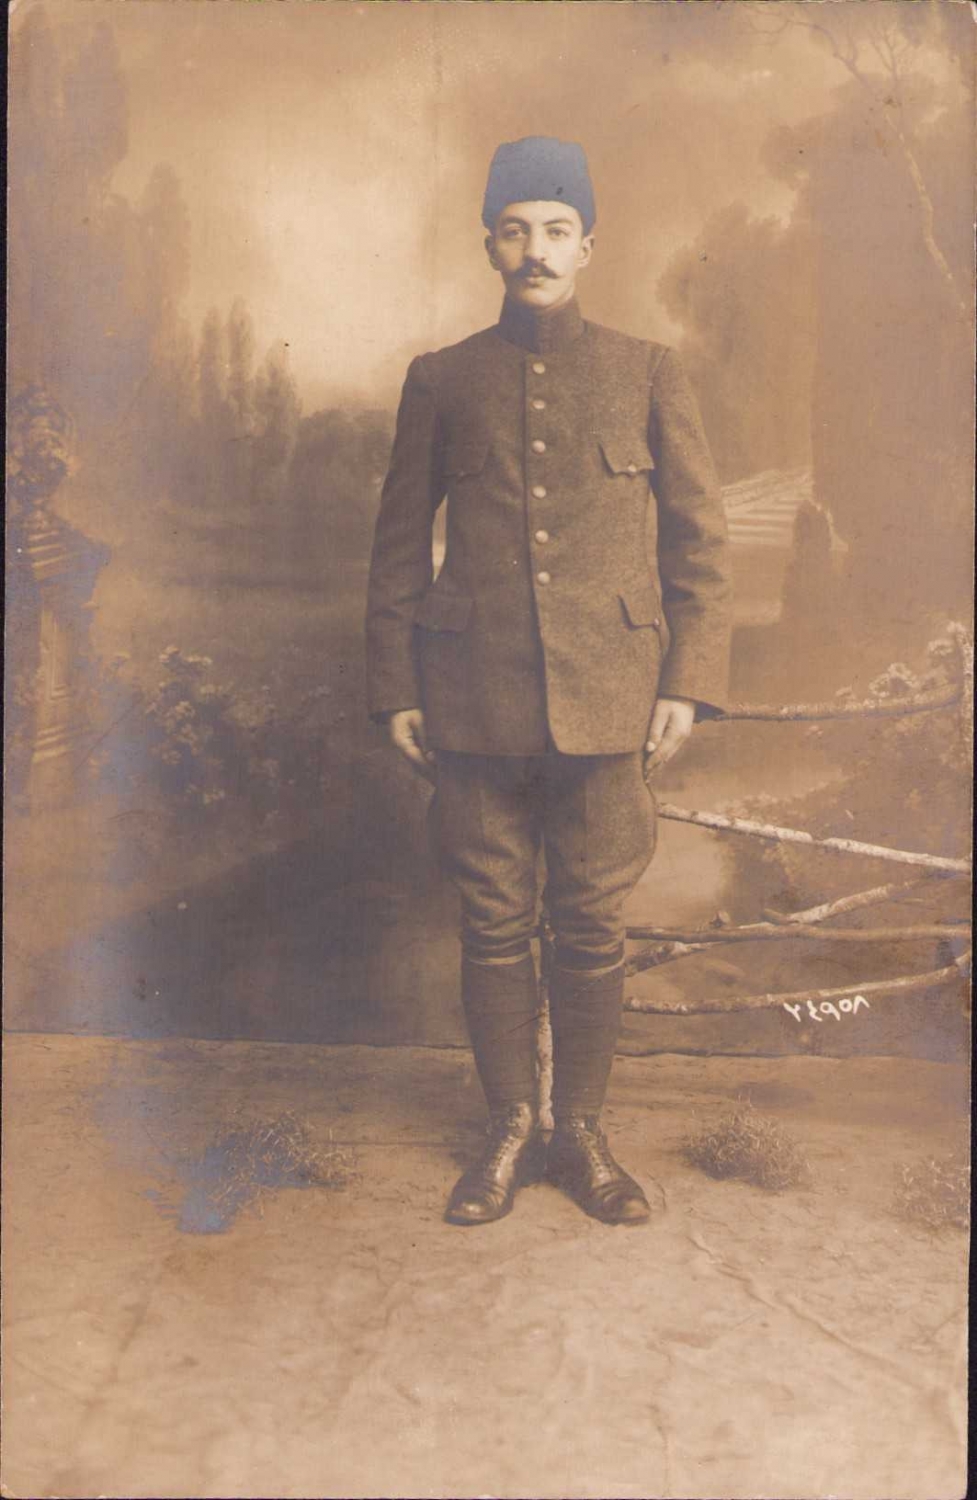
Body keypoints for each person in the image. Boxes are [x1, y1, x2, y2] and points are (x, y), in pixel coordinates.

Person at [365, 136, 731, 1227]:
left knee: (591, 926)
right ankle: (507, 1129)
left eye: (555, 231)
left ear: (587, 247)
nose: (535, 250)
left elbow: (698, 539)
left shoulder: (647, 369)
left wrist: (686, 681)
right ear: (489, 245)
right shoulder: (442, 379)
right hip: (472, 698)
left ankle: (581, 1134)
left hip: (611, 699)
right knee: (490, 922)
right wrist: (395, 688)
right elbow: (396, 547)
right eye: (515, 230)